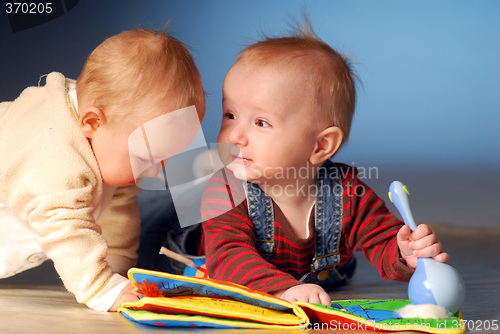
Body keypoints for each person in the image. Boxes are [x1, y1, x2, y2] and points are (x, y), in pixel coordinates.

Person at [199, 21, 449, 306]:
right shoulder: (225, 190)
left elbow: (380, 236)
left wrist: (406, 252)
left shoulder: (346, 192)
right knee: (173, 223)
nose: (235, 135)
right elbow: (228, 256)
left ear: (321, 146)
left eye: (261, 122)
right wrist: (282, 290)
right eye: (230, 114)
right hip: (209, 256)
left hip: (314, 276)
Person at [0, 28, 205, 311]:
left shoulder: (110, 148)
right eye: (147, 158)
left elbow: (117, 211)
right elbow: (65, 226)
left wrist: (118, 271)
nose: (156, 173)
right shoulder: (53, 149)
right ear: (93, 123)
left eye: (166, 158)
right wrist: (102, 287)